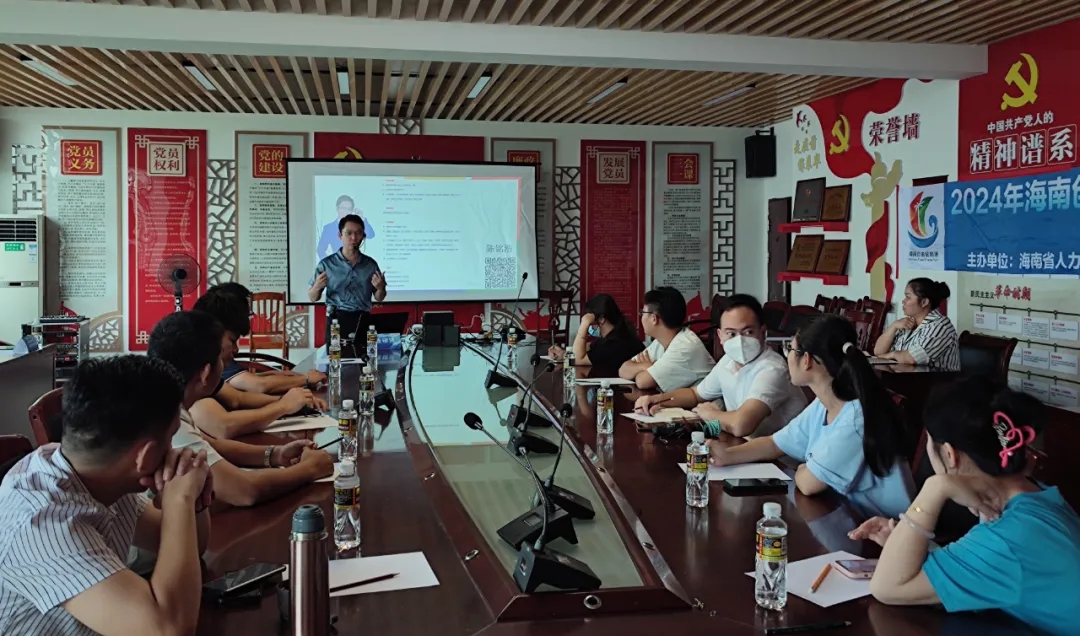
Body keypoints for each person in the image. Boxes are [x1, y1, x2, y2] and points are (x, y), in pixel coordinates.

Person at [0, 355, 211, 635]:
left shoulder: (94, 471)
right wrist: (179, 500)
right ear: (145, 456)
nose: (174, 450)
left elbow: (191, 545)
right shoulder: (41, 521)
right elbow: (169, 630)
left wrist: (194, 502)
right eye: (171, 437)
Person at [854, 377, 1080, 634]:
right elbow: (992, 568)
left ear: (949, 455)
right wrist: (907, 542)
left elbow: (887, 587)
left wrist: (936, 487)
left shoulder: (1007, 538)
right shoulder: (1036, 494)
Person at [708, 314, 914, 518]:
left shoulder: (854, 418)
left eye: (790, 349)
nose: (787, 356)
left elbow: (808, 484)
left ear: (806, 360)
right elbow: (774, 444)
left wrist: (805, 469)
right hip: (843, 514)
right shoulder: (824, 404)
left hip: (884, 527)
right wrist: (728, 455)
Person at [148, 311, 334, 508]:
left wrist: (276, 454)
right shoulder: (168, 424)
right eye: (220, 358)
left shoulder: (166, 401)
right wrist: (310, 469)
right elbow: (245, 491)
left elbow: (213, 445)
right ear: (206, 373)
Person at [633, 294, 806, 438]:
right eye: (731, 333)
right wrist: (658, 400)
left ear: (763, 332)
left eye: (748, 332)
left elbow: (741, 425)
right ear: (720, 336)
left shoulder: (772, 369)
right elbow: (695, 394)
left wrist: (710, 414)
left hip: (780, 463)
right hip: (744, 449)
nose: (740, 341)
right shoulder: (728, 361)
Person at [192, 289, 324, 439]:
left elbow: (238, 399)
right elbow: (225, 427)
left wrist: (297, 402)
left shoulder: (208, 365)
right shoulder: (191, 369)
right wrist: (283, 406)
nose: (236, 349)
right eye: (232, 340)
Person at [199, 283, 327, 393]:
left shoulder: (211, 342)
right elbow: (258, 385)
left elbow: (247, 379)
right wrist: (305, 379)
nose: (236, 349)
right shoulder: (212, 354)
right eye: (232, 341)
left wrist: (278, 375)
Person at [308, 213, 388, 353]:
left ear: (363, 236)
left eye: (358, 233)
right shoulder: (327, 264)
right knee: (336, 361)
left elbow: (379, 297)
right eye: (349, 233)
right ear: (340, 236)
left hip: (363, 321)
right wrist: (317, 287)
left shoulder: (370, 264)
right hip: (336, 321)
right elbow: (313, 297)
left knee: (364, 361)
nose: (353, 238)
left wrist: (381, 288)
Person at [618, 287, 714, 391]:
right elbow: (623, 369)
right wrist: (646, 366)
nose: (641, 317)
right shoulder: (660, 341)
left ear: (654, 318)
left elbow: (642, 381)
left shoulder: (684, 348)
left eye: (643, 313)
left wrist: (645, 368)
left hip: (706, 401)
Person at [873, 277, 959, 370]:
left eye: (908, 297)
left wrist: (892, 354)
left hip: (936, 379)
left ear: (924, 302)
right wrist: (893, 327)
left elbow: (913, 358)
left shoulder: (941, 326)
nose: (903, 301)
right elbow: (878, 352)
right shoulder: (907, 322)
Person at [547, 293, 644, 368]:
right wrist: (563, 353)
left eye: (590, 319)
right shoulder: (612, 337)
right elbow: (589, 348)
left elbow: (577, 359)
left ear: (601, 319)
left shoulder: (615, 343)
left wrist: (584, 325)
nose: (590, 324)